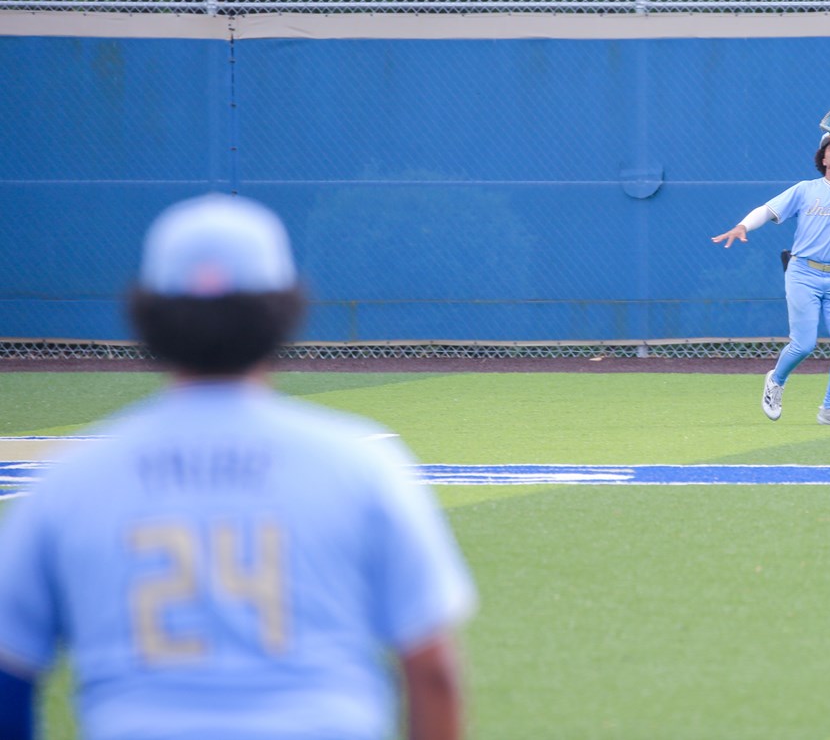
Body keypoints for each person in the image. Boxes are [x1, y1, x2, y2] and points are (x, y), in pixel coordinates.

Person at [0, 194, 476, 740]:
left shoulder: (72, 481)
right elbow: (433, 671)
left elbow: (9, 678)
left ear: (147, 313)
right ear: (286, 309)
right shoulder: (360, 466)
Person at [712, 132, 830, 425]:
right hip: (803, 272)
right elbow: (768, 209)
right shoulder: (806, 189)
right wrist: (743, 226)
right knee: (803, 345)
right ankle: (776, 380)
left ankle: (829, 410)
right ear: (823, 158)